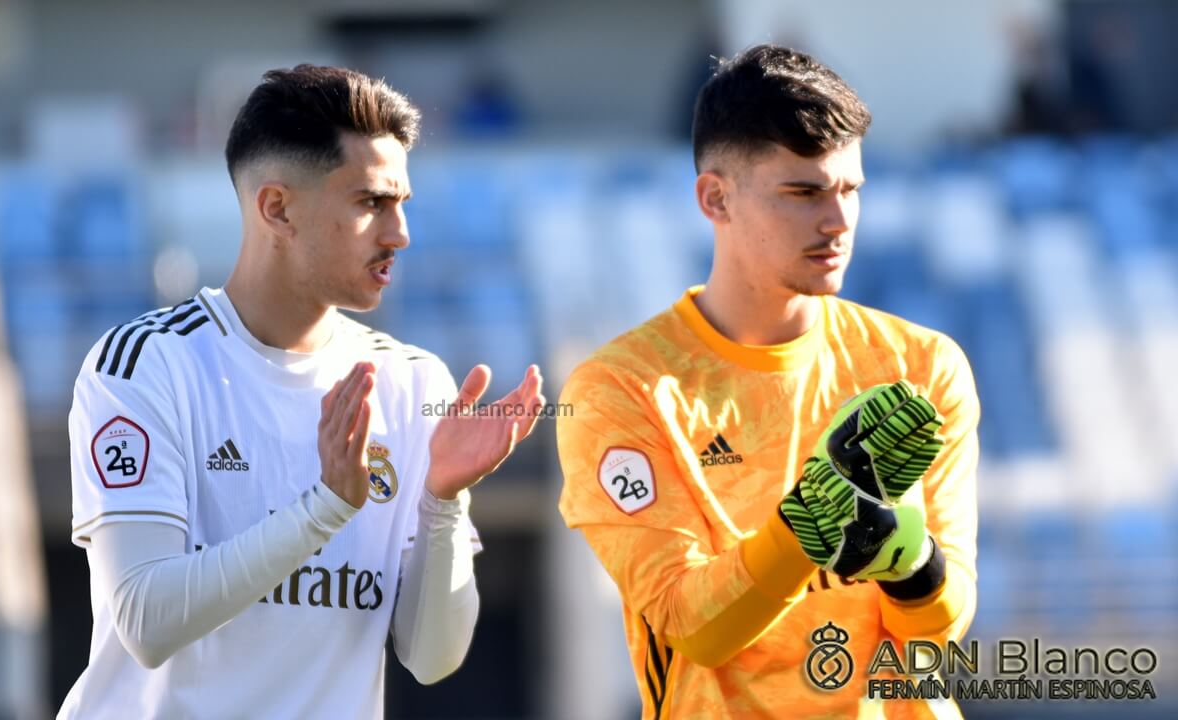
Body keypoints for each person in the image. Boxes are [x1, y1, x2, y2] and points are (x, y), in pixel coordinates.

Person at [59, 65, 545, 719]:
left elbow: (433, 658)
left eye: (402, 203)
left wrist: (443, 501)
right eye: (371, 203)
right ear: (277, 209)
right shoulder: (146, 366)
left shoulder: (412, 382)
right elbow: (147, 621)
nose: (400, 233)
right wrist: (323, 510)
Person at [556, 45, 979, 719]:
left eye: (851, 191)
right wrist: (808, 528)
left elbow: (937, 635)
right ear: (715, 198)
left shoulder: (921, 367)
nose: (838, 221)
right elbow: (692, 626)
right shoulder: (621, 389)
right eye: (804, 193)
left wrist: (912, 565)